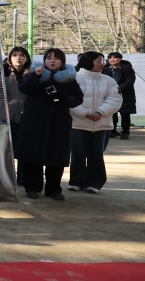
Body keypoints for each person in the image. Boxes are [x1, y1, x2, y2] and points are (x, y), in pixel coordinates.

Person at [17, 48, 83, 200]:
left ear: (62, 61)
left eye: (56, 58)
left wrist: (62, 98)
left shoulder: (69, 79)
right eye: (49, 58)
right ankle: (32, 187)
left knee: (57, 156)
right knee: (32, 154)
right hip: (35, 122)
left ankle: (54, 189)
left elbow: (78, 98)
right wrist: (35, 75)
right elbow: (23, 88)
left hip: (59, 122)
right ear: (44, 60)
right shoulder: (36, 74)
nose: (52, 61)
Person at [69, 51, 121, 194]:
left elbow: (115, 99)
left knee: (96, 153)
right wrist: (84, 113)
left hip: (101, 125)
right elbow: (68, 100)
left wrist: (100, 112)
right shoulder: (73, 78)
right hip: (78, 123)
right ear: (88, 62)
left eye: (103, 61)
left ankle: (95, 183)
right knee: (78, 153)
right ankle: (75, 181)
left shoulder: (109, 80)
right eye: (99, 61)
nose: (103, 64)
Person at [0, 47, 30, 185]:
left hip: (26, 118)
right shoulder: (5, 72)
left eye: (22, 55)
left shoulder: (32, 73)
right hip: (5, 116)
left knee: (25, 150)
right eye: (15, 55)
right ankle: (4, 177)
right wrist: (3, 71)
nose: (18, 57)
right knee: (5, 149)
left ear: (26, 58)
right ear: (10, 58)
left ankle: (23, 178)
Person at [104, 52, 136, 140]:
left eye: (115, 58)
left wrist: (118, 89)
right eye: (110, 58)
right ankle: (112, 131)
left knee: (125, 114)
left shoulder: (127, 68)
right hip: (110, 94)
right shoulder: (105, 68)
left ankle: (125, 132)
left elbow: (130, 81)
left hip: (125, 95)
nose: (112, 60)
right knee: (112, 113)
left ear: (120, 59)